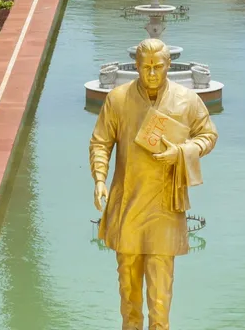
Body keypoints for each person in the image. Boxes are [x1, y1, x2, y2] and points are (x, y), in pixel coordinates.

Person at [91, 38, 217, 330]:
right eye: (145, 67)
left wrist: (182, 152)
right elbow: (100, 142)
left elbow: (208, 135)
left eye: (158, 67)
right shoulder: (118, 99)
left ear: (168, 65)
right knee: (128, 292)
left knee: (161, 298)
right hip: (128, 204)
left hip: (165, 208)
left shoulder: (187, 100)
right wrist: (99, 178)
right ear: (135, 65)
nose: (151, 73)